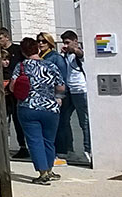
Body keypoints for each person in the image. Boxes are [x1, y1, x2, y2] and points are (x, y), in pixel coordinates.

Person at [11, 37, 65, 185]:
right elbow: (61, 87)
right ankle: (50, 169)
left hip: (28, 107)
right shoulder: (51, 66)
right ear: (38, 49)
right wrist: (56, 97)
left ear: (23, 51)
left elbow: (12, 86)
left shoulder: (21, 66)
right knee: (49, 140)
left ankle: (42, 173)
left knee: (35, 141)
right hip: (50, 108)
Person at [37, 32, 70, 166]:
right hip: (42, 96)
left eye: (43, 41)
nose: (40, 43)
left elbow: (62, 78)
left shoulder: (56, 58)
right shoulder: (39, 57)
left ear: (49, 42)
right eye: (39, 41)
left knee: (57, 125)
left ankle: (59, 152)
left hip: (54, 95)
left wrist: (59, 96)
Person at [58, 30, 91, 163]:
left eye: (68, 42)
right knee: (64, 119)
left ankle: (88, 150)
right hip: (69, 90)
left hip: (80, 90)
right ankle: (68, 149)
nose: (65, 45)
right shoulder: (66, 55)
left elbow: (81, 54)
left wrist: (74, 49)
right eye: (64, 43)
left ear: (75, 41)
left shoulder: (78, 53)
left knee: (84, 121)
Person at [0, 27, 28, 159]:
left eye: (0, 38)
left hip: (16, 90)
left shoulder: (17, 50)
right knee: (4, 119)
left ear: (6, 37)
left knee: (18, 119)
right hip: (3, 90)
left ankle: (23, 146)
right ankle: (5, 146)